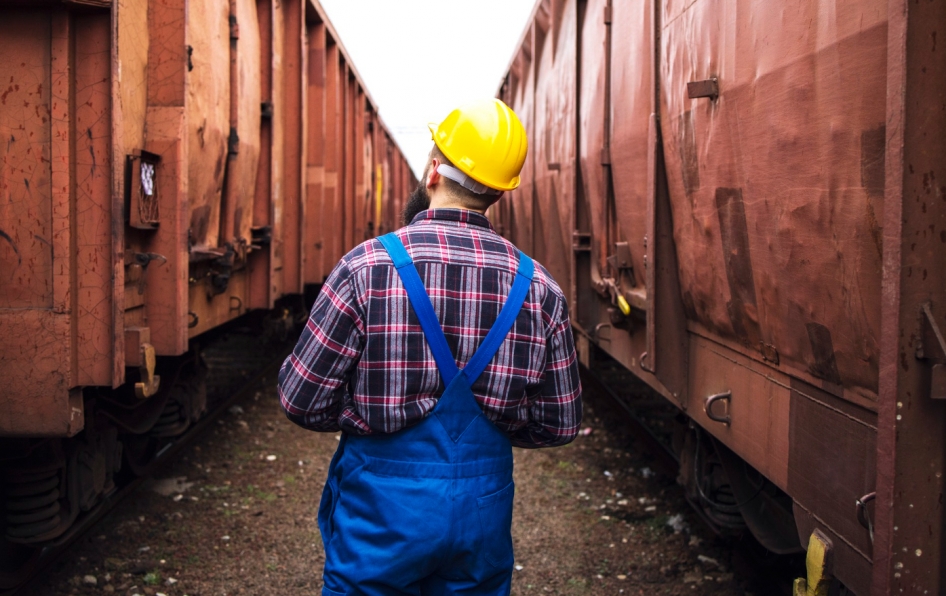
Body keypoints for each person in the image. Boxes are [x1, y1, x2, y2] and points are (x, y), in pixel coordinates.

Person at [278, 98, 582, 596]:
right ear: (500, 191)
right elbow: (560, 423)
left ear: (434, 169)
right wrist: (494, 424)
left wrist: (373, 418)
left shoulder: (366, 268)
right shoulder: (540, 288)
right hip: (483, 513)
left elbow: (300, 400)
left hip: (378, 509)